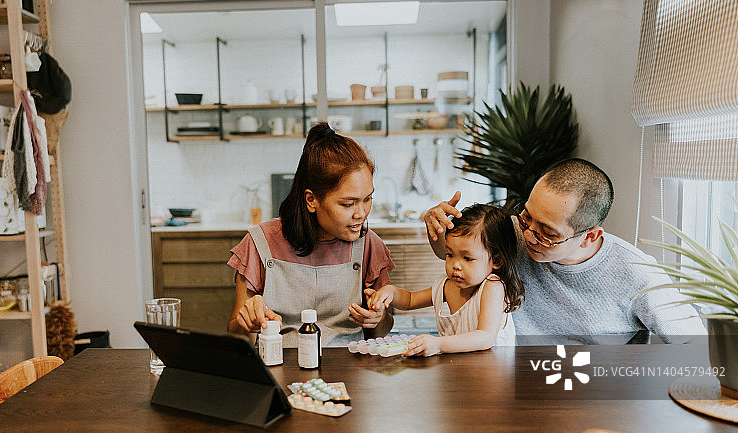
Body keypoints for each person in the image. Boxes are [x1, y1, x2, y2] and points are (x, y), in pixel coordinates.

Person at [424, 158, 706, 344]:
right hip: (512, 383)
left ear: (589, 236)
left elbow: (694, 344)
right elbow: (457, 254)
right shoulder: (513, 234)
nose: (528, 235)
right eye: (526, 217)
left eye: (547, 233)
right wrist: (437, 227)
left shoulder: (637, 273)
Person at [227, 122, 395, 346]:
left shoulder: (370, 245)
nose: (361, 213)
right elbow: (237, 335)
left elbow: (381, 332)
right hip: (278, 362)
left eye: (367, 199)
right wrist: (248, 322)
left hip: (349, 364)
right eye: (348, 204)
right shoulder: (259, 243)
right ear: (311, 200)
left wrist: (378, 318)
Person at [368, 204, 524, 356]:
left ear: (496, 260)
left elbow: (485, 337)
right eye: (450, 254)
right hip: (464, 367)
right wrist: (390, 292)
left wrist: (438, 344)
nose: (455, 265)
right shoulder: (447, 286)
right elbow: (410, 300)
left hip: (495, 368)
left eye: (467, 258)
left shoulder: (493, 286)